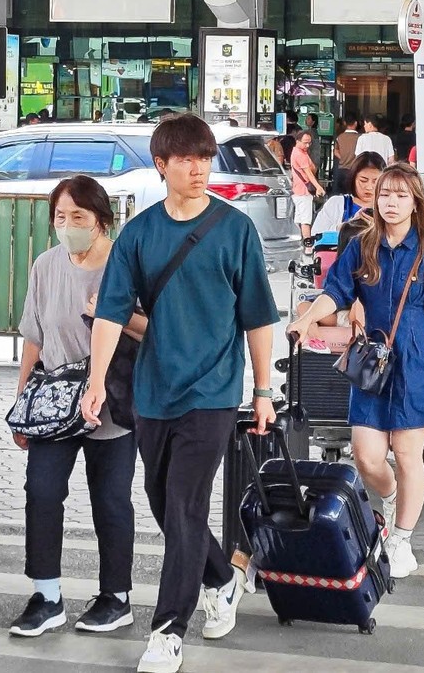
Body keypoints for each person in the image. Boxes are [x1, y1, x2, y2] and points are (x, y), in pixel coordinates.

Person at [79, 114, 279, 673]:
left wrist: (262, 389)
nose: (199, 168)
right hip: (153, 390)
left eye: (206, 157)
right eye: (187, 159)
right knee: (166, 504)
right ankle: (221, 577)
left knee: (187, 503)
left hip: (214, 391)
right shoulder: (139, 234)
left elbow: (258, 317)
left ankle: (168, 630)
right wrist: (96, 382)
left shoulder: (235, 229)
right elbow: (111, 314)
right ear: (161, 165)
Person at [288, 165, 424, 581]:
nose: (392, 202)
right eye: (385, 194)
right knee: (366, 456)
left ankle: (400, 537)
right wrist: (307, 320)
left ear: (415, 201)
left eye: (401, 195)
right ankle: (396, 497)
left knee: (406, 454)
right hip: (371, 360)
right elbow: (336, 293)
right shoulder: (363, 245)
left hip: (418, 363)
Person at [8, 176, 137, 639]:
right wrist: (22, 402)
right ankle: (46, 594)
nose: (67, 227)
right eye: (60, 218)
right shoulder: (45, 265)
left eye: (78, 218)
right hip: (53, 402)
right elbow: (33, 337)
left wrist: (113, 311)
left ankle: (116, 596)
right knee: (41, 491)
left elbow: (151, 329)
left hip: (112, 401)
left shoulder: (124, 266)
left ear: (101, 221)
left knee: (111, 499)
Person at [312, 151, 385, 255]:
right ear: (353, 178)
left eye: (375, 181)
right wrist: (346, 227)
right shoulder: (336, 204)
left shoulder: (387, 208)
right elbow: (315, 237)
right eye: (363, 180)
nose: (369, 187)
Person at [289, 128, 323, 243]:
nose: (307, 145)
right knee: (306, 220)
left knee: (298, 220)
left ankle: (300, 243)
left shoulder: (297, 152)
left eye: (309, 142)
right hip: (304, 192)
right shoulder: (301, 155)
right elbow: (310, 172)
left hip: (297, 190)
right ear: (297, 141)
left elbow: (312, 169)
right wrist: (318, 187)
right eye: (305, 142)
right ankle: (308, 244)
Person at [332, 118, 360, 193]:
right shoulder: (360, 137)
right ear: (356, 123)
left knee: (339, 195)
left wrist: (342, 157)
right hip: (354, 169)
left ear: (344, 123)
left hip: (341, 169)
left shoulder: (340, 137)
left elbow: (335, 151)